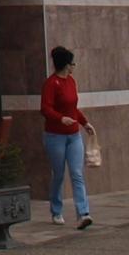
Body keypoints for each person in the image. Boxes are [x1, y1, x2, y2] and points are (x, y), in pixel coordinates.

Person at [42, 44, 94, 228]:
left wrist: (84, 123)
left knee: (77, 173)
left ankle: (83, 213)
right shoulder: (51, 83)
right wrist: (60, 118)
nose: (74, 67)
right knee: (59, 174)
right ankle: (56, 210)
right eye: (73, 63)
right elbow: (46, 108)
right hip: (55, 136)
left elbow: (73, 108)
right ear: (66, 65)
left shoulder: (71, 82)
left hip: (73, 135)